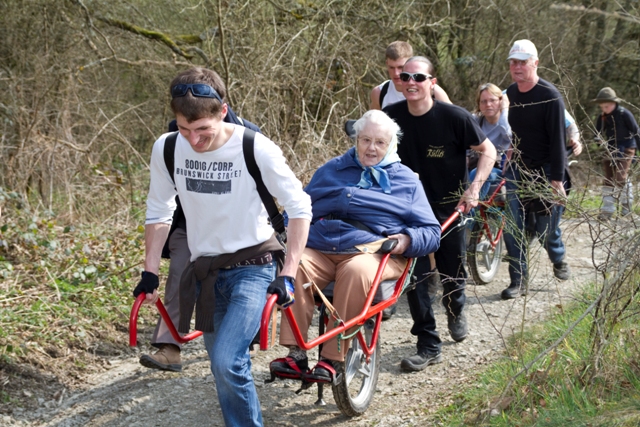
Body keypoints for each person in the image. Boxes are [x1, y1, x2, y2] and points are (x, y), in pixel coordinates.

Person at [134, 67, 312, 426]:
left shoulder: (254, 147)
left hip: (255, 265)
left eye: (202, 130)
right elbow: (159, 209)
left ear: (223, 110)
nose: (194, 140)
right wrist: (150, 270)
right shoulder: (167, 148)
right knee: (226, 367)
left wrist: (289, 273)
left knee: (226, 360)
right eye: (184, 129)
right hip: (207, 272)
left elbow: (300, 207)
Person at [269, 110, 441, 381]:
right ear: (356, 139)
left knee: (356, 271)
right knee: (295, 265)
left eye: (380, 142)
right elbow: (300, 208)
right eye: (365, 140)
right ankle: (296, 354)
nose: (371, 148)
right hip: (321, 246)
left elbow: (431, 232)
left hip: (371, 250)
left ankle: (332, 359)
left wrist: (405, 241)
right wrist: (284, 228)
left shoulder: (406, 180)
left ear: (391, 144)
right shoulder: (331, 169)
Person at [384, 56, 497, 371]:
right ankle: (428, 343)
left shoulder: (454, 117)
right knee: (416, 276)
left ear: (432, 83)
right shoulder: (389, 118)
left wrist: (474, 189)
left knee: (451, 268)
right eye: (405, 76)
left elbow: (489, 151)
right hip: (408, 212)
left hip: (450, 208)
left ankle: (456, 308)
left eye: (418, 77)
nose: (411, 82)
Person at [139, 114, 260, 372]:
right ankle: (169, 346)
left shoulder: (248, 135)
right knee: (180, 270)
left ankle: (238, 339)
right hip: (189, 222)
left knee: (238, 279)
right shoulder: (176, 136)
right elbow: (162, 199)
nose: (194, 137)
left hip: (236, 226)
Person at [500, 39, 571, 300]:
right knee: (512, 226)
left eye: (522, 62)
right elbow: (512, 134)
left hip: (547, 169)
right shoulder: (510, 93)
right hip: (517, 169)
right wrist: (507, 158)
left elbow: (558, 141)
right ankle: (518, 281)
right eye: (513, 62)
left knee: (544, 230)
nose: (517, 67)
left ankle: (558, 257)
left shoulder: (550, 96)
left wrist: (556, 180)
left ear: (535, 63)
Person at [592, 87, 639, 219]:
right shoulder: (602, 117)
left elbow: (636, 131)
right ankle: (607, 211)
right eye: (601, 106)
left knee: (620, 177)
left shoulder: (625, 114)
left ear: (613, 103)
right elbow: (597, 133)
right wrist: (598, 140)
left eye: (606, 106)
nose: (604, 109)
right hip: (610, 148)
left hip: (627, 148)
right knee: (608, 179)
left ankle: (626, 208)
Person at [370, 41, 451, 110]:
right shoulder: (380, 93)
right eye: (391, 67)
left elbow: (454, 121)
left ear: (410, 63)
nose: (396, 73)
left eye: (400, 67)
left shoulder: (434, 91)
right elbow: (372, 125)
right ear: (386, 64)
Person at [468, 83, 512, 199]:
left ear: (501, 101)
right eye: (483, 101)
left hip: (500, 170)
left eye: (492, 100)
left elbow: (509, 136)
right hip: (474, 164)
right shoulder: (476, 120)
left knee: (477, 174)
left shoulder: (508, 120)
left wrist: (505, 109)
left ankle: (471, 212)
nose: (488, 105)